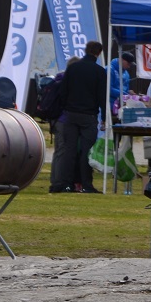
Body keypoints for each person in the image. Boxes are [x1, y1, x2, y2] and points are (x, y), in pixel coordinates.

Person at [50, 41, 108, 194]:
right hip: (89, 115)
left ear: (86, 50)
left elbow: (63, 91)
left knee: (69, 150)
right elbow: (102, 96)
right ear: (99, 53)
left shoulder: (72, 68)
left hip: (71, 114)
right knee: (86, 151)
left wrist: (66, 107)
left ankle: (67, 184)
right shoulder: (100, 71)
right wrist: (104, 117)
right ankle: (86, 184)